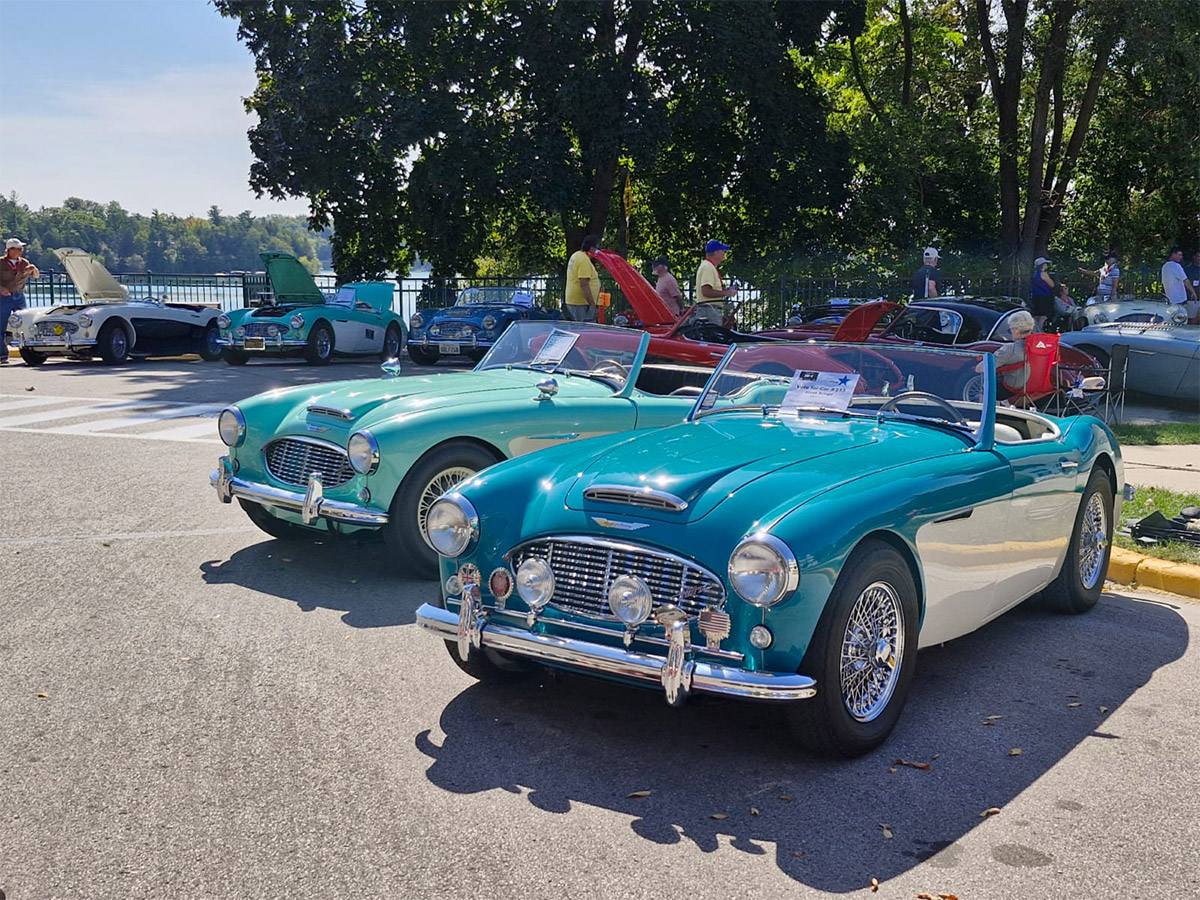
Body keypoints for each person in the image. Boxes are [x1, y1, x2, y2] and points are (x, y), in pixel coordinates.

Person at [975, 309, 1035, 400]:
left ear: (1015, 331)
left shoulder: (1010, 349)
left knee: (986, 385)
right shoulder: (1040, 346)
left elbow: (980, 369)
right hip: (1035, 386)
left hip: (1013, 388)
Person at [1, 238, 40, 365]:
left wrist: (33, 269)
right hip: (4, 297)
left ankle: (29, 353)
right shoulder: (1, 263)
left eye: (21, 248)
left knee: (25, 324)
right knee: (1, 325)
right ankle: (2, 354)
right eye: (18, 249)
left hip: (19, 295)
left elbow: (36, 276)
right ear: (10, 250)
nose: (21, 251)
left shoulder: (24, 263)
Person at [694, 240, 737, 324]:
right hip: (709, 310)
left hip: (709, 309)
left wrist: (725, 291)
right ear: (716, 252)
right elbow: (706, 291)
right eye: (722, 251)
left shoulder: (709, 266)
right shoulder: (708, 267)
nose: (724, 253)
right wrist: (726, 293)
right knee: (712, 335)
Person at [564, 234, 601, 322]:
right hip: (581, 303)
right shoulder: (584, 260)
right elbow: (584, 284)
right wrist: (592, 305)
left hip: (576, 301)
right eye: (597, 248)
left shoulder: (576, 255)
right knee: (586, 330)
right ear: (592, 248)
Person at [1161, 246, 1199, 325]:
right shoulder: (1176, 266)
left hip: (1170, 300)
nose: (1181, 257)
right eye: (1179, 255)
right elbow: (1185, 280)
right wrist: (1193, 292)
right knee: (1186, 320)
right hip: (1179, 300)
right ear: (1173, 254)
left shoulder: (1165, 266)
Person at [1029, 256, 1055, 332]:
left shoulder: (1035, 274)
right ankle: (1040, 331)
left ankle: (1035, 330)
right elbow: (1052, 284)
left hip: (1035, 296)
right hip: (1043, 296)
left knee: (1037, 315)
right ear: (1043, 265)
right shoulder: (1043, 274)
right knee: (1043, 316)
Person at [1184, 249, 1200, 324]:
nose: (1199, 258)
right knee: (1192, 319)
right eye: (1198, 256)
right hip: (1192, 298)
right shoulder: (1187, 269)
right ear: (1194, 257)